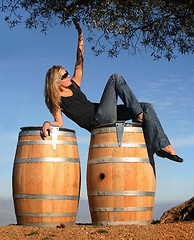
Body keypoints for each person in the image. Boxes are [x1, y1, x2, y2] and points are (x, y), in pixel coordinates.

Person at [41, 21, 183, 163]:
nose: (68, 76)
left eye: (67, 73)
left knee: (147, 107)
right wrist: (47, 123)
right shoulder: (56, 100)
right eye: (64, 76)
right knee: (115, 78)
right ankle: (138, 115)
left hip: (104, 112)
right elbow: (59, 122)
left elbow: (79, 62)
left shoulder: (73, 86)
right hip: (97, 121)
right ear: (56, 82)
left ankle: (163, 146)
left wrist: (80, 36)